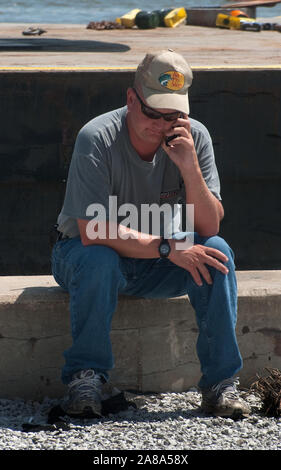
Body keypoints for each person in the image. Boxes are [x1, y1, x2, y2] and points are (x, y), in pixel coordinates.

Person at [51, 49, 251, 418]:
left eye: (173, 116)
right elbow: (91, 230)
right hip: (85, 254)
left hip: (159, 259)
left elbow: (208, 227)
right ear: (131, 99)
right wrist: (167, 247)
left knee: (217, 250)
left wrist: (189, 168)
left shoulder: (194, 138)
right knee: (98, 259)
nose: (161, 125)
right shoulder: (96, 138)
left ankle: (220, 384)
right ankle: (86, 377)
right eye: (152, 114)